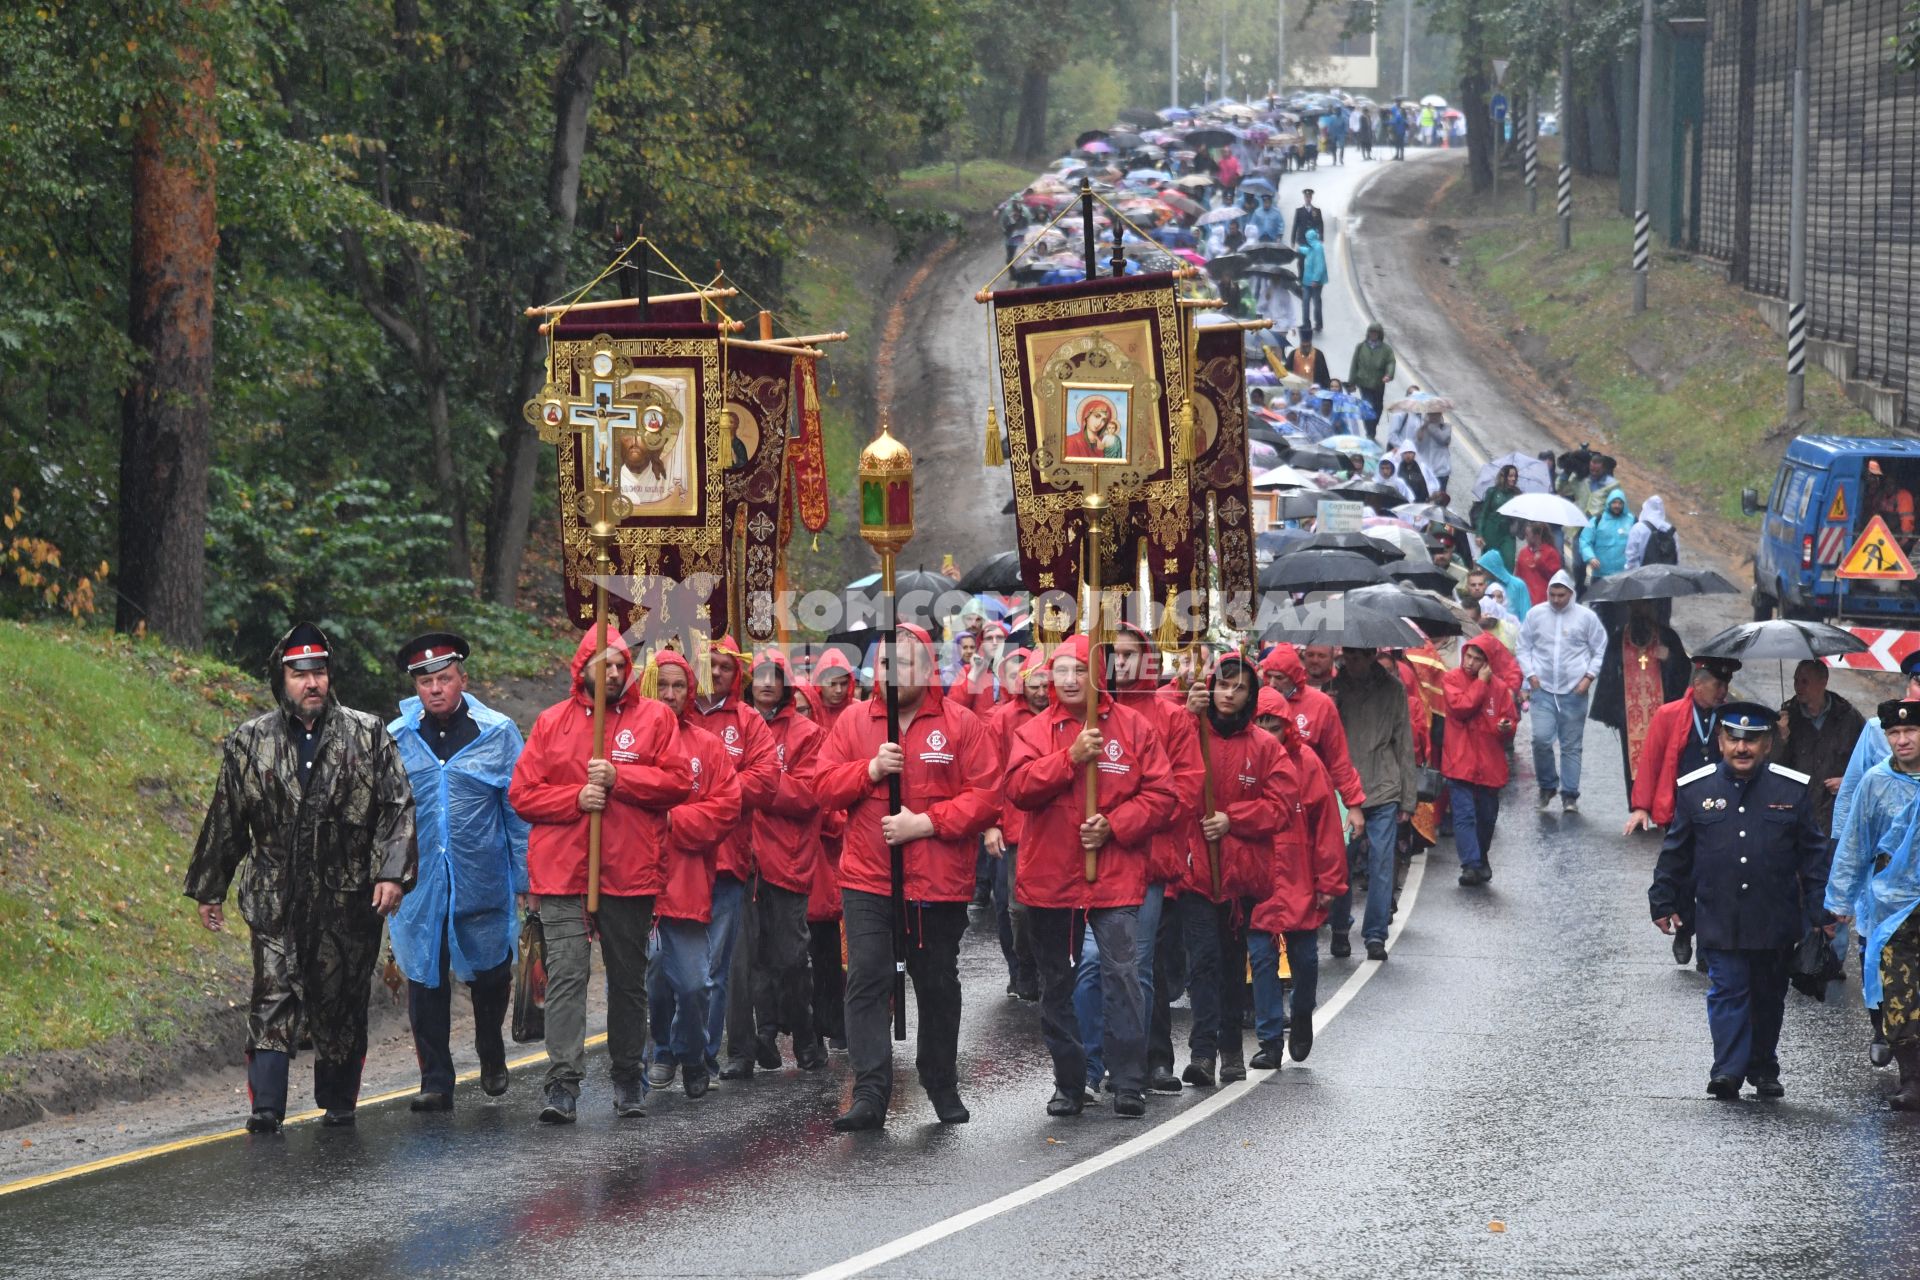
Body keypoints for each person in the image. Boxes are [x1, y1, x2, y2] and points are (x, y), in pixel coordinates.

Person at [186, 623, 417, 1133]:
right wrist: (210, 887)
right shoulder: (251, 741)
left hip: (348, 897)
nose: (311, 683)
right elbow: (227, 818)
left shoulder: (366, 733)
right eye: (299, 673)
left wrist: (392, 872)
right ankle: (266, 1107)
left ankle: (338, 1102)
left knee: (341, 1002)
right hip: (275, 897)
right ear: (281, 677)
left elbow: (397, 808)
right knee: (272, 996)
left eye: (319, 672)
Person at [813, 623, 1000, 1130]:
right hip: (869, 879)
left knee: (936, 983)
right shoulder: (853, 722)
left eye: (912, 661)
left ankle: (940, 1081)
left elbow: (986, 795)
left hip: (936, 883)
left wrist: (928, 822)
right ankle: (871, 1090)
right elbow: (822, 786)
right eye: (892, 663)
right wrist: (869, 771)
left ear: (931, 667)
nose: (901, 672)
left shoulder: (961, 724)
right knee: (868, 976)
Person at [509, 629, 692, 1124]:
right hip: (563, 872)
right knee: (567, 975)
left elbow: (678, 782)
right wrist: (574, 799)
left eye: (621, 665)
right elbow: (523, 795)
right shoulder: (552, 723)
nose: (614, 673)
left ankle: (628, 1074)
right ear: (582, 666)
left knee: (628, 979)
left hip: (629, 870)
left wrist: (621, 779)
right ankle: (563, 1082)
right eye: (604, 664)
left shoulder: (655, 718)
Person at [1006, 635, 1176, 1119]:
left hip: (1116, 876)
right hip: (1049, 878)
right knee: (1057, 983)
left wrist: (1116, 824)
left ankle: (1128, 1079)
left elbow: (1162, 796)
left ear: (1100, 675)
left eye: (1080, 670)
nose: (1069, 680)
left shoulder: (1135, 728)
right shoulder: (1036, 731)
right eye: (1060, 670)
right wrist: (1070, 759)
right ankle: (1070, 1081)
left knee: (1122, 974)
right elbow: (1018, 788)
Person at [1650, 703, 1829, 1100]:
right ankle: (1728, 1071)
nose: (1741, 747)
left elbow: (1813, 853)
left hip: (1774, 916)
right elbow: (1676, 851)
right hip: (1719, 914)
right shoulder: (1697, 789)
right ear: (1721, 740)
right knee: (1727, 990)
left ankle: (1763, 1067)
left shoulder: (1791, 789)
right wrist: (1662, 898)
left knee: (1768, 996)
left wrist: (1821, 907)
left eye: (1751, 740)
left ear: (1768, 744)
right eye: (1733, 738)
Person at [385, 632, 528, 1113]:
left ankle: (490, 1049)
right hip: (419, 883)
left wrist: (528, 880)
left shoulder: (498, 732)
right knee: (426, 974)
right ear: (416, 688)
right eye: (426, 682)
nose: (436, 689)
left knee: (490, 972)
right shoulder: (397, 737)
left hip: (483, 875)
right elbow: (382, 814)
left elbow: (518, 810)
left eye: (444, 679)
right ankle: (436, 1079)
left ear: (462, 680)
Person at [1078, 624, 1204, 1097]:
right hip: (1091, 858)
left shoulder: (1170, 717)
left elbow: (1186, 788)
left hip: (1146, 859)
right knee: (1092, 964)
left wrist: (1127, 814)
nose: (1123, 663)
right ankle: (1091, 1063)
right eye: (1115, 655)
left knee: (1137, 966)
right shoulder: (1091, 712)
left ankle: (1145, 1060)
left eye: (1132, 655)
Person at [1172, 654, 1289, 1087]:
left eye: (1239, 687)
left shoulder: (1265, 746)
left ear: (1250, 695)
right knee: (1201, 961)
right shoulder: (1191, 731)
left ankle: (1230, 1048)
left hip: (1239, 877)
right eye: (1223, 685)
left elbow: (1280, 807)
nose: (1229, 694)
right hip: (1194, 869)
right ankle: (1202, 1052)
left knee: (1229, 960)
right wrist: (1187, 714)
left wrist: (1232, 819)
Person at [643, 649, 743, 1099]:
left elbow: (726, 808)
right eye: (661, 685)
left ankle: (690, 1051)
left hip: (687, 881)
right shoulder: (624, 740)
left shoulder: (706, 745)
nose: (669, 694)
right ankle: (662, 1051)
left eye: (678, 686)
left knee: (694, 982)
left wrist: (673, 822)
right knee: (652, 977)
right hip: (637, 883)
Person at [729, 649, 827, 1075]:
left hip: (788, 856)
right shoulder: (734, 727)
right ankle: (761, 1036)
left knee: (790, 955)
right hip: (744, 855)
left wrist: (760, 782)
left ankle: (805, 1032)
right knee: (751, 957)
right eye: (760, 675)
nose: (767, 683)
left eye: (775, 675)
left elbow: (809, 795)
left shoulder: (807, 732)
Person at [688, 636, 779, 1080]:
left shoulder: (748, 722)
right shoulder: (674, 713)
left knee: (715, 967)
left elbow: (765, 782)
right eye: (711, 666)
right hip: (673, 860)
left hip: (727, 860)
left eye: (726, 667)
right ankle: (668, 1047)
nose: (718, 673)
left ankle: (703, 1053)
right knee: (666, 963)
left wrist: (707, 798)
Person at [1826, 672, 1920, 1071]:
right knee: (1897, 989)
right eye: (1894, 731)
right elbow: (1854, 843)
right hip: (1891, 905)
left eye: (1911, 730)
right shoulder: (1875, 781)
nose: (1902, 739)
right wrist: (1839, 900)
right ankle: (1911, 1076)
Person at [1248, 692, 1347, 1067]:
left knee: (1305, 960)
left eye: (1275, 727)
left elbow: (1327, 830)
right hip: (1259, 880)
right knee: (1260, 960)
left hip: (1300, 879)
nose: (1269, 735)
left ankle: (1302, 1012)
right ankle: (1270, 1040)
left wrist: (1328, 884)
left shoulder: (1308, 764)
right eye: (1261, 726)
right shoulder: (1246, 761)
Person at [1327, 645, 1418, 961]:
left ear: (1370, 656)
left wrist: (1408, 797)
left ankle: (1376, 934)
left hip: (1383, 786)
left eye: (1358, 656)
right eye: (1347, 656)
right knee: (1341, 864)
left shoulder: (1394, 689)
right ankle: (1340, 928)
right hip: (1343, 787)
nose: (1351, 662)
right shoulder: (1333, 687)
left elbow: (1404, 742)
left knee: (1381, 863)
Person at [986, 654, 1050, 1002]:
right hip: (1016, 828)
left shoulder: (1066, 714)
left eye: (1046, 684)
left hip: (1057, 826)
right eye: (1034, 685)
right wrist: (991, 824)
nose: (1041, 692)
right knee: (1018, 908)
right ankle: (1024, 965)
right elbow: (990, 773)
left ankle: (1050, 969)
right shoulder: (1004, 719)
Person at [1517, 570, 1607, 814]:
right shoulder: (1536, 615)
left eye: (1561, 595)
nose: (1556, 600)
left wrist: (1589, 677)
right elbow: (1523, 646)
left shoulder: (1586, 618)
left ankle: (1570, 794)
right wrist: (1530, 675)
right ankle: (1547, 785)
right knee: (1541, 739)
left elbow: (1599, 648)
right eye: (1552, 594)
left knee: (1571, 745)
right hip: (1543, 689)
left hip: (1574, 690)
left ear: (1571, 593)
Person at [1590, 599, 1693, 797]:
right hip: (1629, 715)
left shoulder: (1667, 637)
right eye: (1635, 606)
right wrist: (1611, 712)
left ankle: (1662, 804)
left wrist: (1670, 658)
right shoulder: (1619, 638)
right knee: (1633, 762)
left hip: (1662, 712)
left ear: (1653, 607)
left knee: (1664, 760)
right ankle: (1638, 804)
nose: (1640, 610)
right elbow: (1608, 674)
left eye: (1644, 606)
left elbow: (1684, 670)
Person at [1444, 634, 1520, 885]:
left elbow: (1509, 721)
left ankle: (1480, 857)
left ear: (1487, 662)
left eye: (1477, 659)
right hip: (1460, 760)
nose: (1470, 663)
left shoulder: (1499, 689)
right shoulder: (1452, 679)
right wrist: (1480, 683)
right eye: (1468, 657)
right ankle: (1471, 864)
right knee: (1464, 815)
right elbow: (1461, 707)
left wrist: (1505, 726)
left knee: (1487, 816)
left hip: (1489, 762)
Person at [1777, 659, 1866, 839]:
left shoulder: (1848, 716)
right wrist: (1781, 738)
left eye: (1804, 681)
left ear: (1823, 681)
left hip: (1836, 817)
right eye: (1796, 681)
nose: (1798, 687)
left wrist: (1848, 781)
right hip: (1798, 814)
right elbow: (1772, 768)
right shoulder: (1786, 717)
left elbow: (1868, 761)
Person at [1348, 324, 1397, 438]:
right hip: (1364, 383)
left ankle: (1373, 425)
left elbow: (1391, 362)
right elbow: (1354, 365)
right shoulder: (1361, 347)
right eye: (1371, 332)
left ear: (1380, 334)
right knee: (1367, 406)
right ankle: (1369, 431)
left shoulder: (1386, 350)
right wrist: (1352, 382)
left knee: (1377, 407)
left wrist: (1388, 375)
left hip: (1378, 384)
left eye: (1376, 333)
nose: (1373, 335)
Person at [1579, 489, 1635, 585]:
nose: (1617, 506)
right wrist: (1590, 557)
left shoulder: (1632, 520)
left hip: (1624, 575)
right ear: (1609, 502)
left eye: (1620, 503)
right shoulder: (1597, 520)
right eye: (1614, 502)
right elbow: (1585, 541)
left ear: (1624, 504)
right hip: (1600, 575)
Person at [1476, 464, 1523, 570]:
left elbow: (1521, 517)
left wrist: (1518, 503)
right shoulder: (1492, 491)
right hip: (1491, 531)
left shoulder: (1517, 494)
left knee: (1509, 562)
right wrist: (1479, 533)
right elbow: (1483, 513)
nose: (1513, 479)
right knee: (1488, 565)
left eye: (1515, 476)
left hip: (1507, 534)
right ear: (1503, 476)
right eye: (1510, 476)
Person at [1514, 522, 1564, 607]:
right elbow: (1517, 576)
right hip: (1524, 600)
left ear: (1536, 536)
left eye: (1527, 535)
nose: (1525, 538)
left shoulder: (1551, 553)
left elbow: (1555, 578)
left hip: (1542, 602)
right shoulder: (1523, 552)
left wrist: (1540, 563)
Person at [1625, 494, 1679, 570]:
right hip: (1666, 576)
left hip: (1643, 576)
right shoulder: (1671, 530)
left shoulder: (1638, 528)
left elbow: (1631, 556)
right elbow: (1676, 557)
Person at [1474, 547, 1532, 617]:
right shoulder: (1487, 586)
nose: (1482, 573)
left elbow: (1525, 612)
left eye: (1483, 570)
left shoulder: (1518, 584)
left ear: (1491, 569)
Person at [1299, 228, 1327, 332]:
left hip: (1316, 282)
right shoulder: (1312, 247)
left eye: (1307, 238)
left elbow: (1320, 265)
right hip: (1307, 280)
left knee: (1316, 303)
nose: (1306, 240)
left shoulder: (1318, 247)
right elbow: (1308, 252)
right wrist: (1300, 249)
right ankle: (1306, 323)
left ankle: (1318, 324)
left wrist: (1315, 279)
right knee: (1305, 301)